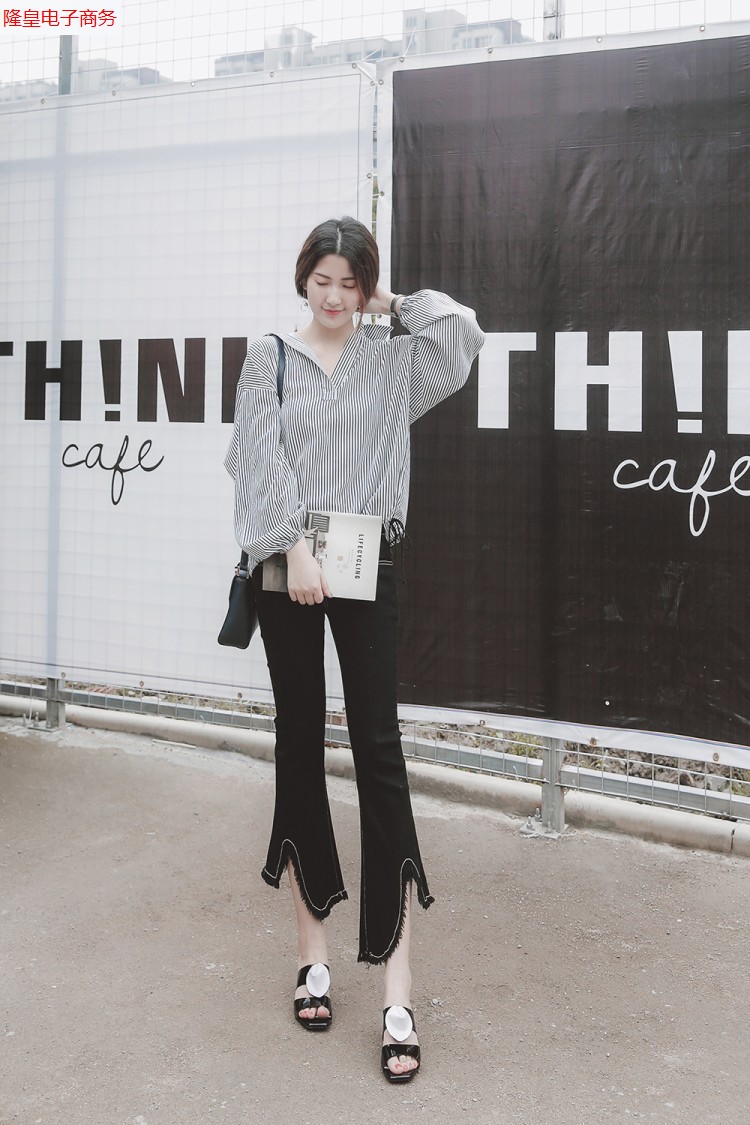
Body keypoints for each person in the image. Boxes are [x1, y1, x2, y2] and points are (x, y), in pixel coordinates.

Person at [225, 216, 484, 1081]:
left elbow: (463, 336)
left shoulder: (391, 358)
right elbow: (255, 459)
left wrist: (393, 301)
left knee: (380, 752)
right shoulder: (269, 357)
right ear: (302, 278)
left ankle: (397, 987)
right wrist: (291, 546)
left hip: (370, 563)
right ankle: (313, 955)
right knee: (300, 743)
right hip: (288, 568)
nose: (334, 296)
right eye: (323, 279)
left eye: (350, 282)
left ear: (365, 286)